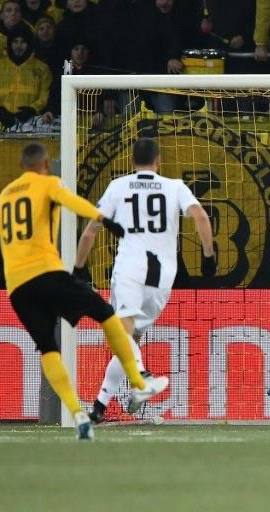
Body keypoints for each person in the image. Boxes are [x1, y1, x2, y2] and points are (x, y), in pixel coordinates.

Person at [0, 143, 169, 440]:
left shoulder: (4, 195)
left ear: (20, 165)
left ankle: (79, 413)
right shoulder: (48, 183)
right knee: (107, 314)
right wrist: (105, 220)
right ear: (45, 164)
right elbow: (74, 203)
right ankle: (139, 381)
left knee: (48, 349)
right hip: (46, 272)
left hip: (16, 286)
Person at [74, 137, 217, 424]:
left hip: (131, 268)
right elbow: (201, 217)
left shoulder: (118, 186)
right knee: (130, 339)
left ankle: (142, 378)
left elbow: (90, 231)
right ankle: (100, 406)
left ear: (131, 162)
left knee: (120, 334)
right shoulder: (175, 186)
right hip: (162, 276)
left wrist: (78, 268)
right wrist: (208, 255)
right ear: (158, 161)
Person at [0, 29, 52, 128]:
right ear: (9, 44)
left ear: (29, 44)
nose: (19, 46)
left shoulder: (42, 68)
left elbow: (46, 96)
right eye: (15, 42)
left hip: (33, 125)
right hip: (1, 125)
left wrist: (32, 109)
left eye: (23, 42)